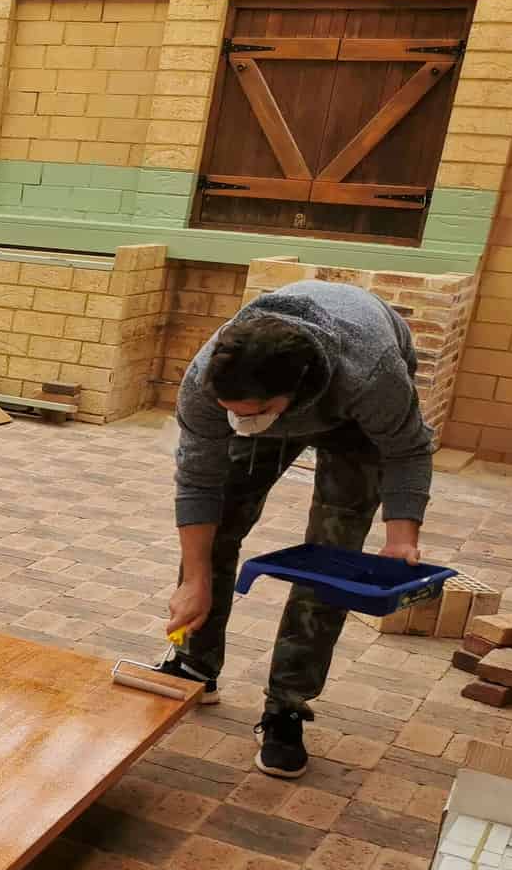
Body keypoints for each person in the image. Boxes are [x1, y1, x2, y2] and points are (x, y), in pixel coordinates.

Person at [159, 279, 432, 779]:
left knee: (332, 558)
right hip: (276, 394)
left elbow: (408, 449)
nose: (239, 422)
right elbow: (198, 480)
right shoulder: (210, 382)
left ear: (295, 390)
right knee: (217, 523)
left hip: (356, 421)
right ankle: (196, 663)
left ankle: (286, 706)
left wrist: (401, 537)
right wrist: (194, 579)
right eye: (230, 412)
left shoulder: (372, 375)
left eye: (254, 413)